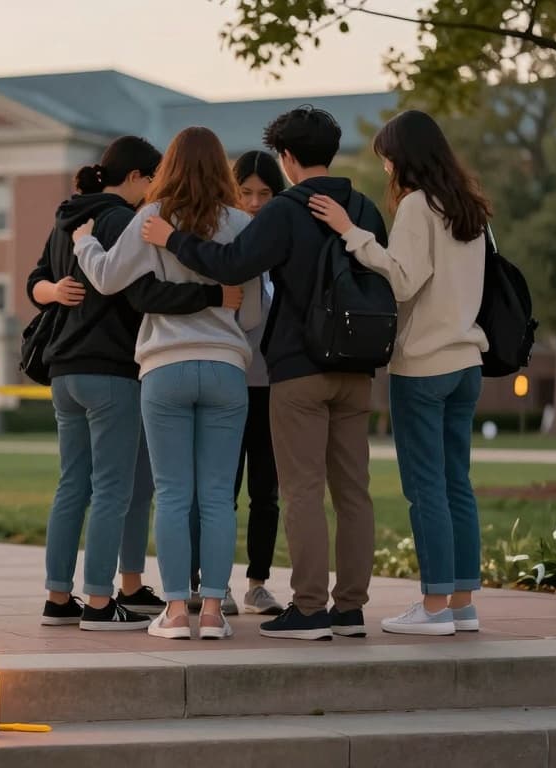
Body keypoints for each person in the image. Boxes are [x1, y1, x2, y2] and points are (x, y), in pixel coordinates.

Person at [141, 106, 389, 641]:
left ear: (288, 157)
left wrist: (171, 239)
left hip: (299, 368)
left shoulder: (285, 209)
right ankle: (350, 609)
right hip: (358, 368)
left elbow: (232, 265)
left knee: (302, 489)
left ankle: (308, 608)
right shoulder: (364, 207)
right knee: (354, 492)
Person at [28, 135, 241, 631]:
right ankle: (102, 602)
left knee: (72, 485)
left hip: (64, 369)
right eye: (150, 181)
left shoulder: (68, 218)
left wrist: (53, 290)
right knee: (116, 489)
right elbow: (144, 292)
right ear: (139, 178)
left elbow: (35, 281)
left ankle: (59, 597)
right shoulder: (125, 219)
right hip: (111, 369)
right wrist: (214, 293)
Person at [75, 127, 263, 641]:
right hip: (226, 366)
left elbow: (109, 279)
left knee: (173, 494)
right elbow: (253, 312)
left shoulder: (151, 217)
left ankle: (176, 612)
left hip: (164, 367)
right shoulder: (244, 223)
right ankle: (213, 612)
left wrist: (84, 243)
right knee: (219, 496)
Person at [307, 109, 491, 636]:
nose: (386, 168)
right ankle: (461, 603)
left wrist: (352, 234)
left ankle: (433, 608)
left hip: (425, 367)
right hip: (466, 364)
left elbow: (405, 281)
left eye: (387, 158)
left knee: (426, 486)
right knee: (458, 483)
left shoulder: (417, 206)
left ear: (404, 157)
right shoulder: (469, 209)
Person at [229, 151, 286, 617]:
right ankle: (212, 584)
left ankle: (257, 583)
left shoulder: (287, 249)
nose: (254, 203)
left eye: (264, 194)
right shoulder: (224, 244)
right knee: (221, 490)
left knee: (266, 492)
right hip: (228, 382)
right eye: (245, 193)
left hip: (273, 386)